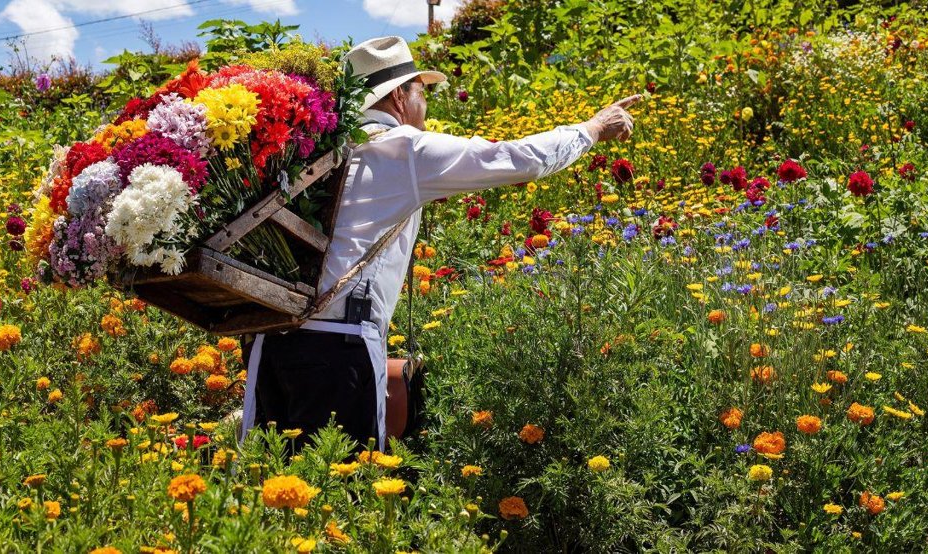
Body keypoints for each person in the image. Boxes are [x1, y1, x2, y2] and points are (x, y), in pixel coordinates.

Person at [238, 35, 640, 451]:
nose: (426, 107)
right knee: (342, 495)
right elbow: (518, 158)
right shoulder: (401, 147)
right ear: (398, 96)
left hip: (272, 344)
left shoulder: (319, 150)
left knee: (273, 492)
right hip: (338, 352)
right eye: (422, 92)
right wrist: (590, 129)